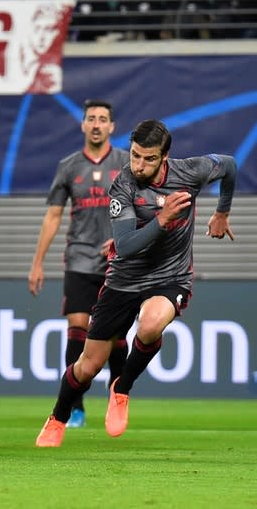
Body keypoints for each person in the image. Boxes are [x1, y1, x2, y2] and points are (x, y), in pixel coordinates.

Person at [36, 119, 237, 448]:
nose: (139, 165)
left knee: (151, 324)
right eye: (134, 156)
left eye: (148, 158)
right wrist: (162, 219)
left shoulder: (191, 172)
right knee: (88, 366)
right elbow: (126, 245)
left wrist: (222, 212)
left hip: (170, 276)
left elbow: (229, 166)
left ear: (165, 157)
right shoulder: (123, 186)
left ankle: (122, 387)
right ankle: (58, 417)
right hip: (124, 280)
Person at [28, 99, 129, 429]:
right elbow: (54, 215)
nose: (97, 124)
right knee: (78, 327)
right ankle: (75, 406)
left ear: (112, 126)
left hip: (119, 261)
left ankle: (117, 392)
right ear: (83, 125)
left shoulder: (127, 164)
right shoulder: (69, 166)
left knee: (114, 335)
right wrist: (37, 262)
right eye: (91, 119)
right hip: (79, 258)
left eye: (103, 119)